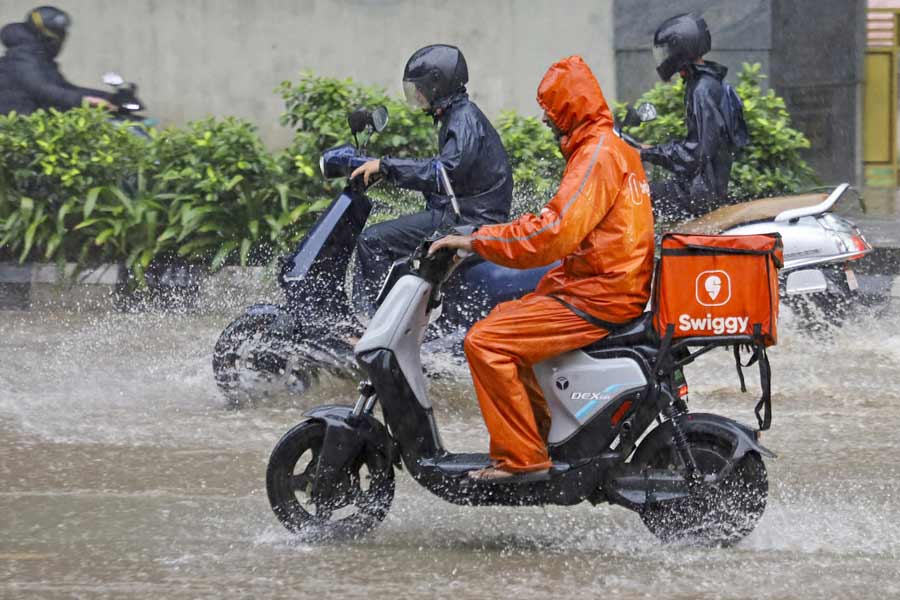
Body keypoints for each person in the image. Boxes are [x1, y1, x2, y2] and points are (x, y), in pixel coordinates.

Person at [429, 55, 655, 481]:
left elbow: (554, 232)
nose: (549, 124)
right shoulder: (613, 147)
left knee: (485, 342)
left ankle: (521, 459)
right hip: (604, 284)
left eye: (552, 115)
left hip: (599, 293)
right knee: (503, 318)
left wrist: (478, 240)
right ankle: (543, 434)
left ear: (569, 111)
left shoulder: (596, 154)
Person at [350, 44, 512, 307]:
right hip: (466, 211)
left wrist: (387, 167)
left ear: (438, 84)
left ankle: (372, 325)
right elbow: (447, 173)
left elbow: (444, 172)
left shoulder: (463, 119)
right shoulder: (457, 115)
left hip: (469, 218)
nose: (418, 95)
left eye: (420, 88)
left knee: (374, 240)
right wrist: (389, 171)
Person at [640, 13, 748, 221]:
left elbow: (696, 153)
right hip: (705, 186)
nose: (665, 57)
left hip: (698, 192)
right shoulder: (706, 82)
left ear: (681, 49)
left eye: (668, 50)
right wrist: (649, 150)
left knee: (637, 197)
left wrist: (648, 154)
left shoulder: (702, 89)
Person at [0, 6, 111, 116]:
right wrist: (84, 100)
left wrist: (107, 97)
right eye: (58, 35)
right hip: (21, 128)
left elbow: (63, 88)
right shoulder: (21, 57)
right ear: (45, 37)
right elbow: (43, 90)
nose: (61, 41)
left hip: (35, 123)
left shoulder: (38, 57)